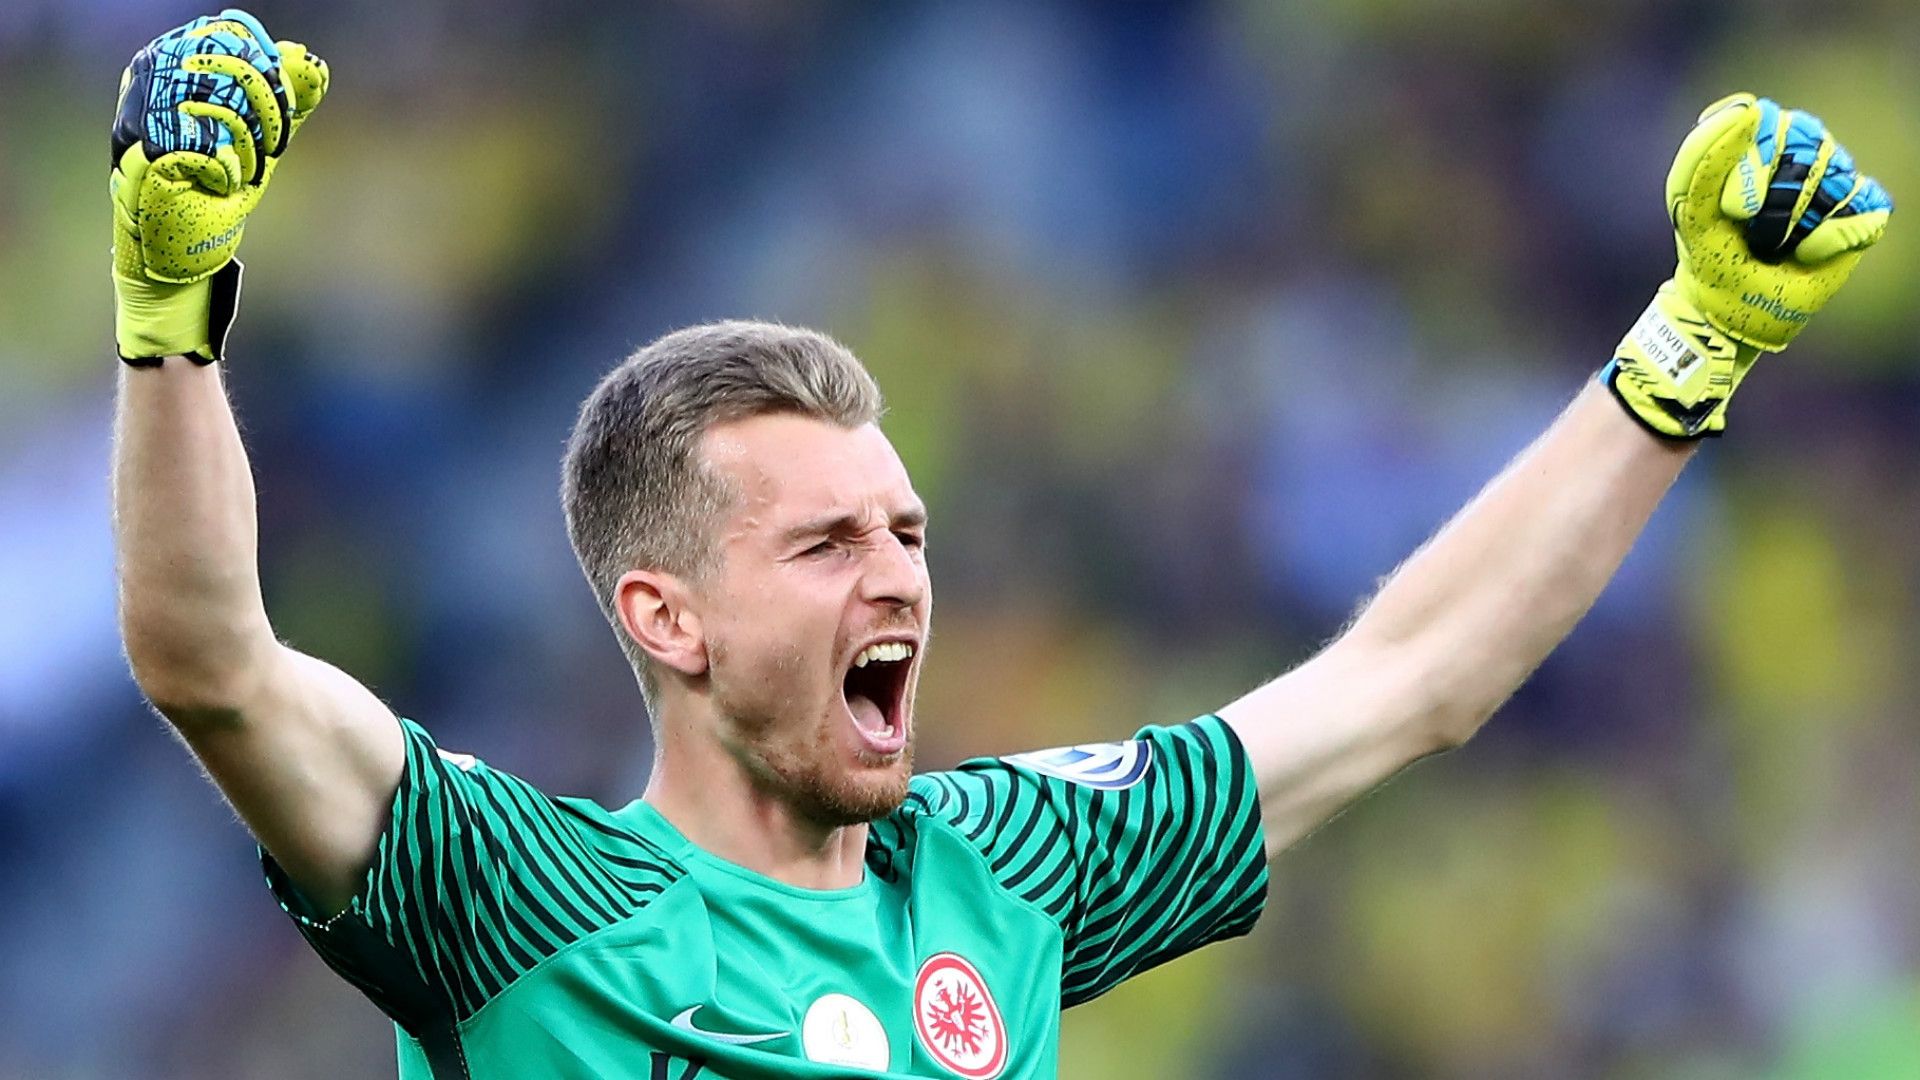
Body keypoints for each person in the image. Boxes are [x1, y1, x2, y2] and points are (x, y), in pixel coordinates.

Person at [109, 11, 1891, 1080]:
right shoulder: (509, 897)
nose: (898, 576)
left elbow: (1410, 680)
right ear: (666, 615)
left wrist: (1689, 349)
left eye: (909, 530)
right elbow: (214, 664)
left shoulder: (1010, 871)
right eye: (824, 548)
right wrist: (171, 312)